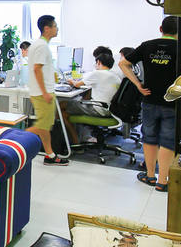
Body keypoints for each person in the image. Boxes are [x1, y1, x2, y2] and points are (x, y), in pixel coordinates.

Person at [121, 17, 178, 191]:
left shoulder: (147, 45)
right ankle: (162, 181)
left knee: (149, 137)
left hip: (149, 99)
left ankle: (150, 175)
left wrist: (138, 84)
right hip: (172, 101)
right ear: (179, 31)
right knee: (168, 141)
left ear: (161, 28)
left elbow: (123, 64)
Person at [26, 15, 65, 165]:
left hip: (40, 92)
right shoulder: (42, 46)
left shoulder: (39, 45)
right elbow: (37, 69)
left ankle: (50, 155)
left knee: (45, 126)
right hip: (42, 93)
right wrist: (45, 93)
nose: (57, 29)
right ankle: (12, 138)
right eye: (55, 26)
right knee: (42, 126)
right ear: (46, 28)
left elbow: (39, 68)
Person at [61, 51, 122, 140]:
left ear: (99, 62)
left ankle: (75, 141)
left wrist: (70, 81)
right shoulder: (115, 76)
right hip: (111, 110)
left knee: (61, 105)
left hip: (99, 109)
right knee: (67, 111)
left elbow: (77, 84)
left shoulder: (97, 73)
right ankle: (81, 138)